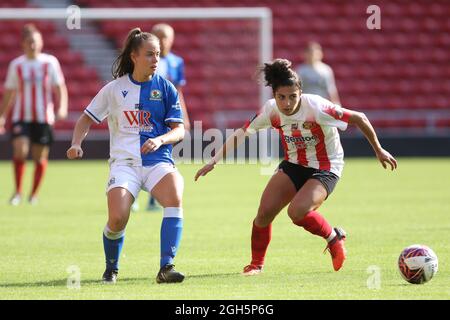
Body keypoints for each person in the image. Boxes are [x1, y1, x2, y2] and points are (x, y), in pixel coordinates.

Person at [195, 59, 397, 275]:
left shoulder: (317, 107)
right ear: (274, 96)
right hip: (294, 164)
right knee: (264, 213)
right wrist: (213, 161)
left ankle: (333, 238)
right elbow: (241, 133)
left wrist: (378, 149)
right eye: (282, 97)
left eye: (293, 96)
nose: (288, 103)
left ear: (301, 92)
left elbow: (359, 118)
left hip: (326, 166)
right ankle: (256, 265)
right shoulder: (271, 111)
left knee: (297, 212)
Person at [66, 28, 186, 284]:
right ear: (134, 56)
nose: (156, 59)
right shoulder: (114, 89)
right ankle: (111, 268)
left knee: (175, 194)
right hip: (125, 164)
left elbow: (179, 130)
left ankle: (166, 268)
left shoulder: (166, 88)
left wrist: (160, 139)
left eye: (157, 54)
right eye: (150, 55)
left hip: (157, 162)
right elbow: (85, 118)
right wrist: (76, 143)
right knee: (118, 218)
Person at [0, 23, 68, 205]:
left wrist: (62, 107)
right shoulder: (17, 65)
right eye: (30, 42)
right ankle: (17, 192)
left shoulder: (50, 62)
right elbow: (10, 92)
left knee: (39, 158)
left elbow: (60, 86)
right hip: (21, 117)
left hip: (43, 117)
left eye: (36, 42)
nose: (33, 45)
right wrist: (2, 115)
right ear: (23, 44)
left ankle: (33, 194)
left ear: (41, 42)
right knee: (20, 150)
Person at [144, 23, 190, 212]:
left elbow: (178, 91)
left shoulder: (176, 62)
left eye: (165, 37)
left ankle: (155, 195)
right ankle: (132, 189)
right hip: (147, 115)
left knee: (163, 152)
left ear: (171, 40)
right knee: (140, 150)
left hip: (168, 115)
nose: (162, 41)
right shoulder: (146, 61)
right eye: (158, 36)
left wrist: (183, 116)